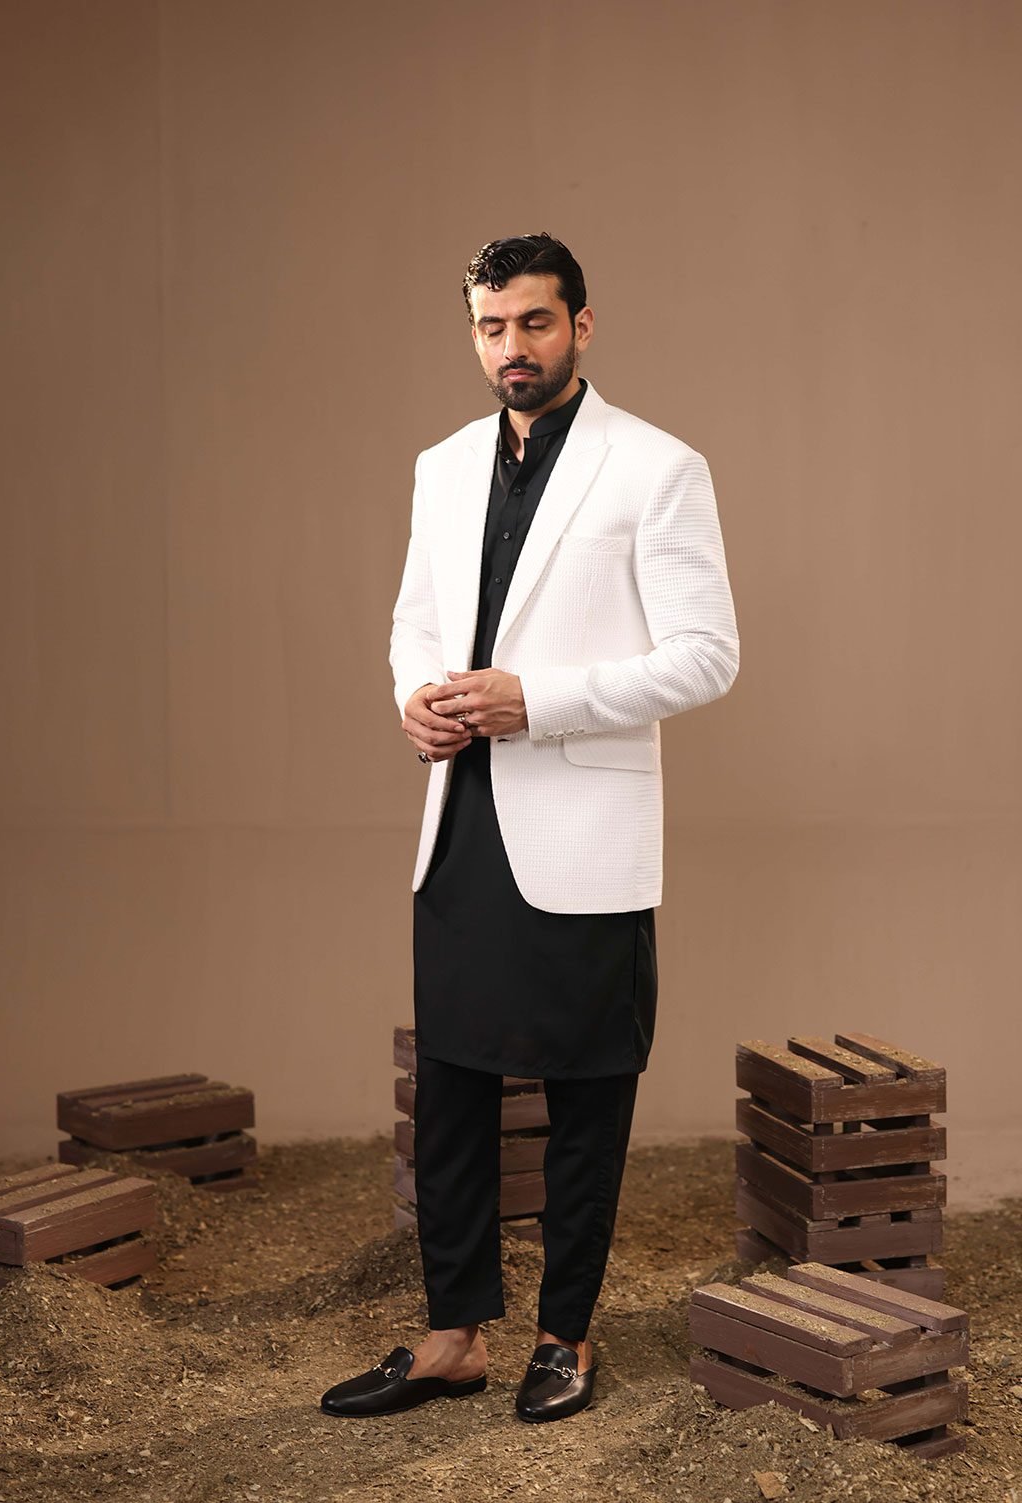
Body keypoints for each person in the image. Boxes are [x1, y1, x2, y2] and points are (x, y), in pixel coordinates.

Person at [321, 234, 739, 1424]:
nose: (513, 347)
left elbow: (708, 655)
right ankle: (451, 1336)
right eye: (492, 327)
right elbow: (415, 619)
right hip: (460, 808)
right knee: (452, 1083)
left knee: (586, 1091)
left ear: (582, 326)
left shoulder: (658, 467)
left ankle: (565, 1337)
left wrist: (535, 702)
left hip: (585, 824)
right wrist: (416, 698)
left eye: (536, 323)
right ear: (475, 332)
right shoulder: (443, 465)